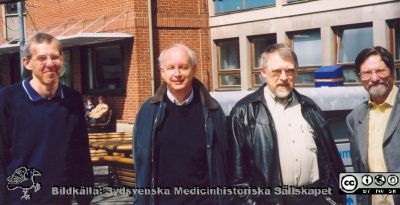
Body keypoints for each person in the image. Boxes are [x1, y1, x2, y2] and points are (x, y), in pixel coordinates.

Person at [229, 43, 346, 205]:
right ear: (263, 72)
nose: (284, 77)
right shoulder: (244, 112)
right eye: (277, 71)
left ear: (296, 72)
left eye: (289, 71)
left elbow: (333, 161)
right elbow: (237, 177)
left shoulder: (310, 108)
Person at [0, 32, 94, 204]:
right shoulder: (7, 100)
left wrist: (85, 195)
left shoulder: (72, 99)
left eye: (54, 57)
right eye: (41, 58)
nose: (50, 64)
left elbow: (80, 151)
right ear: (27, 63)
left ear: (62, 58)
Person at [133, 43, 228, 205]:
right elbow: (140, 161)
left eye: (183, 67)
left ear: (194, 69)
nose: (177, 74)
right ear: (162, 72)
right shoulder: (148, 111)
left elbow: (225, 159)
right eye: (171, 68)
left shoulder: (213, 110)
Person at [346, 46, 400, 205]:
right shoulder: (354, 118)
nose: (374, 78)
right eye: (367, 73)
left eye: (380, 71)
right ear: (360, 77)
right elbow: (359, 170)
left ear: (392, 72)